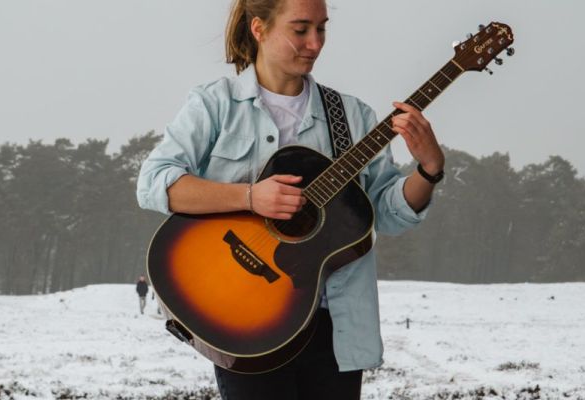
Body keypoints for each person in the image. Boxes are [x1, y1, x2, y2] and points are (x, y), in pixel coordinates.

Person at [136, 0, 445, 398]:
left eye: (322, 29)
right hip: (247, 316)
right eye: (300, 30)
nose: (314, 43)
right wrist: (250, 197)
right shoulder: (215, 104)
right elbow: (154, 182)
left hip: (337, 324)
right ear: (259, 29)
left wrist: (429, 169)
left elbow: (387, 215)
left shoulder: (351, 117)